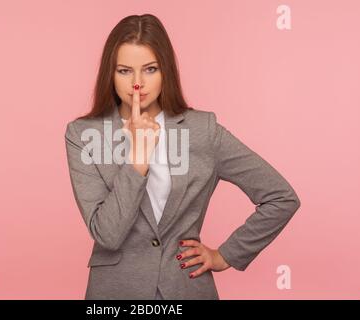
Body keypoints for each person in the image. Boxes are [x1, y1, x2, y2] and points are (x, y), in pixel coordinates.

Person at [64, 14, 301, 300]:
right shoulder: (82, 134)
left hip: (186, 289)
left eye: (150, 69)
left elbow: (281, 197)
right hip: (115, 293)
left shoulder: (203, 130)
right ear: (110, 74)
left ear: (166, 71)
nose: (137, 84)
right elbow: (108, 235)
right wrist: (138, 158)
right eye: (125, 71)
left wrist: (225, 255)